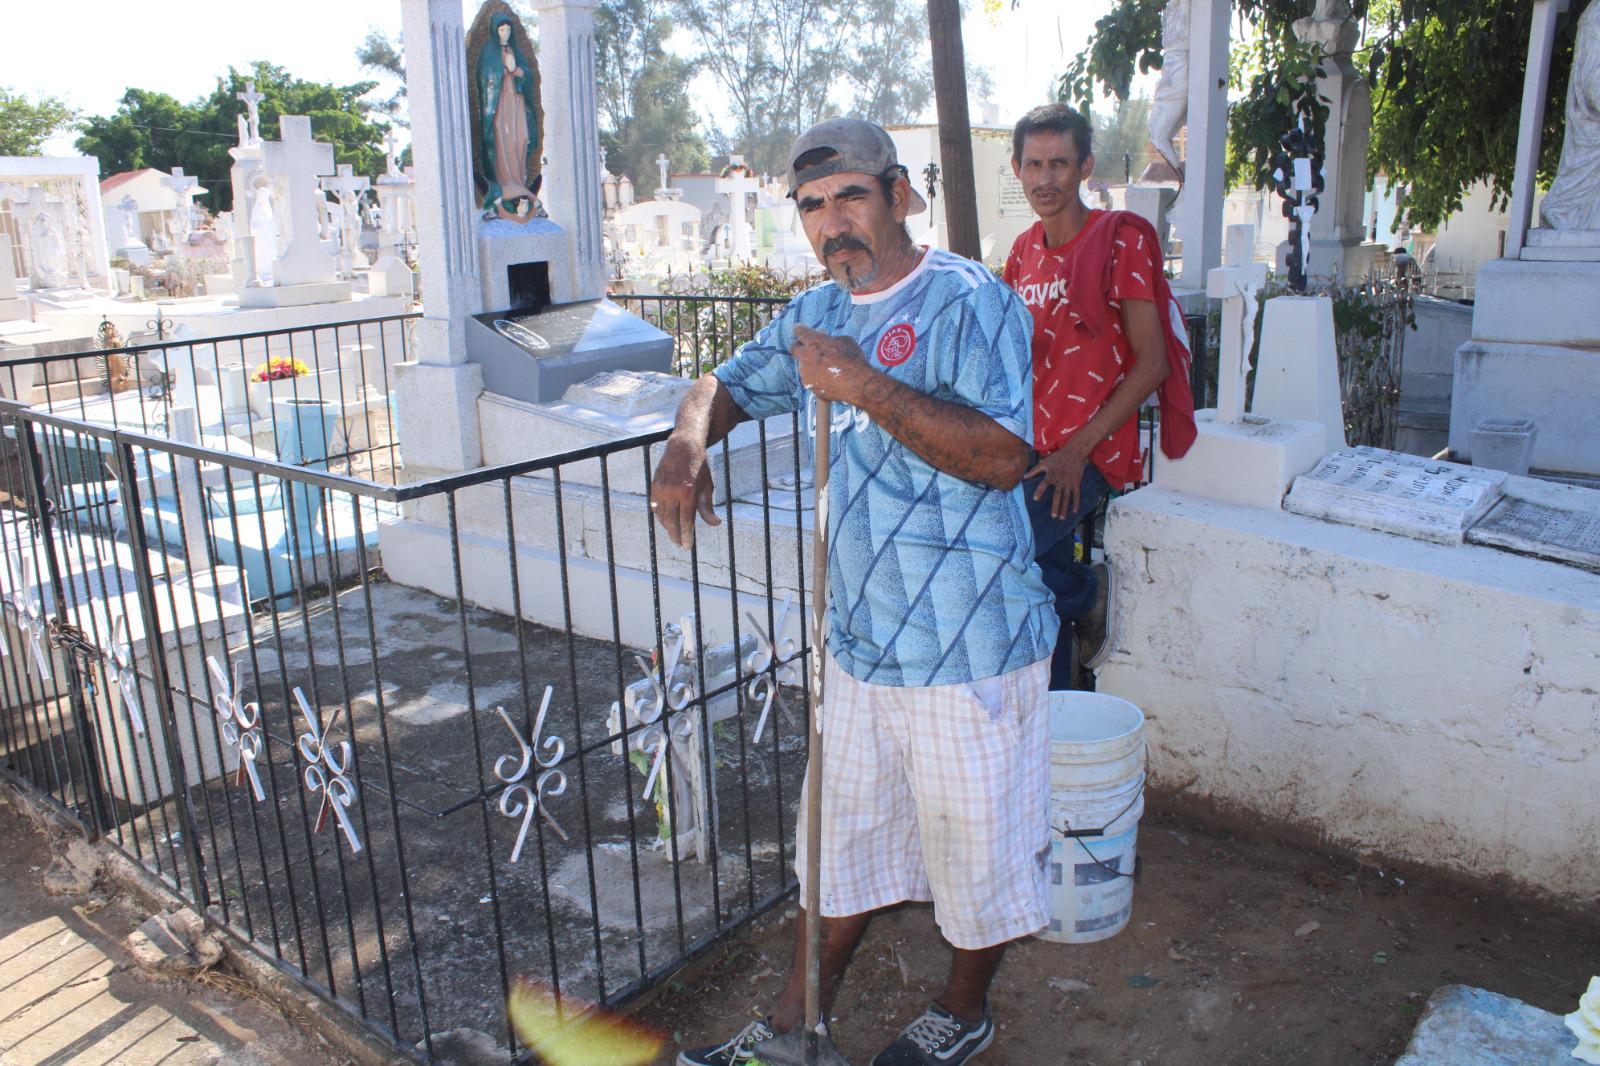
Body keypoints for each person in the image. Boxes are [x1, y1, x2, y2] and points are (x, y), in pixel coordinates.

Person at [652, 117, 1056, 1066]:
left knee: (977, 856)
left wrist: (864, 386)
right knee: (840, 850)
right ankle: (795, 1022)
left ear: (901, 195)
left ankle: (960, 1010)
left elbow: (1004, 458)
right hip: (863, 645)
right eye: (812, 208)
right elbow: (722, 383)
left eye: (851, 199)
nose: (833, 224)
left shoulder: (971, 301)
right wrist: (686, 439)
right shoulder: (814, 314)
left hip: (973, 647)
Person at [1003, 103, 1196, 690]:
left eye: (1059, 163)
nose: (1045, 178)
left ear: (1085, 166)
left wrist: (1076, 452)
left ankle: (1088, 592)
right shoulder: (1021, 252)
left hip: (1089, 451)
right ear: (1017, 168)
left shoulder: (1121, 240)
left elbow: (1152, 363)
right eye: (1034, 164)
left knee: (1008, 550)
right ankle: (1059, 706)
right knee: (1036, 572)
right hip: (1031, 448)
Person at [476, 13, 541, 221]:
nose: (506, 32)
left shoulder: (516, 51)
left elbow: (528, 75)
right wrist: (503, 72)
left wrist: (520, 73)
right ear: (496, 31)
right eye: (502, 29)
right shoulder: (488, 52)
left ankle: (518, 181)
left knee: (521, 138)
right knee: (502, 137)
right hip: (499, 105)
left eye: (508, 29)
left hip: (517, 104)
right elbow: (485, 77)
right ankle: (504, 181)